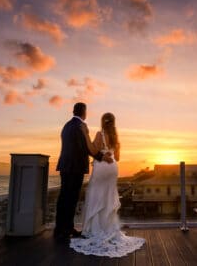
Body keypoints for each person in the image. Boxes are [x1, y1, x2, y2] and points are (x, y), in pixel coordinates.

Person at [69, 112, 145, 257]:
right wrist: (112, 150)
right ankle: (108, 228)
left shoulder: (100, 134)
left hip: (102, 167)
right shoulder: (116, 139)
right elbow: (117, 157)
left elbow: (92, 150)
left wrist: (85, 134)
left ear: (103, 122)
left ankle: (96, 229)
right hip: (112, 168)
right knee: (107, 199)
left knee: (97, 198)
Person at [54, 102, 113, 242]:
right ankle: (66, 230)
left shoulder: (67, 126)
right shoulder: (81, 127)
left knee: (63, 198)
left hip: (65, 166)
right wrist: (101, 157)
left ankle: (60, 229)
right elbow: (86, 148)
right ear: (84, 112)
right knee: (72, 198)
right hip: (75, 167)